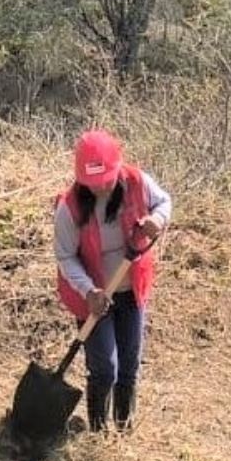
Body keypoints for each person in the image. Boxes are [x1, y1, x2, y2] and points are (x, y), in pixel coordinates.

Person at [53, 129, 171, 433]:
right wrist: (89, 290)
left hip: (131, 289)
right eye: (92, 185)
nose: (100, 189)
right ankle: (98, 432)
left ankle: (123, 430)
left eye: (105, 181)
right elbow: (65, 257)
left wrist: (156, 222)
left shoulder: (137, 182)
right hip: (92, 295)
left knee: (129, 366)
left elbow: (164, 203)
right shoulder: (69, 208)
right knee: (105, 367)